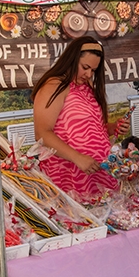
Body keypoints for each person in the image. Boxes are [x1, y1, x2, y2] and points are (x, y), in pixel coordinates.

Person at [32, 36, 128, 198]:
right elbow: (42, 133)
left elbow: (91, 127)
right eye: (85, 67)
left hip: (98, 173)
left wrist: (111, 127)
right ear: (72, 59)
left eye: (93, 70)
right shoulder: (54, 86)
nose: (89, 74)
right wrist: (77, 158)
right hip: (68, 175)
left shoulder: (87, 85)